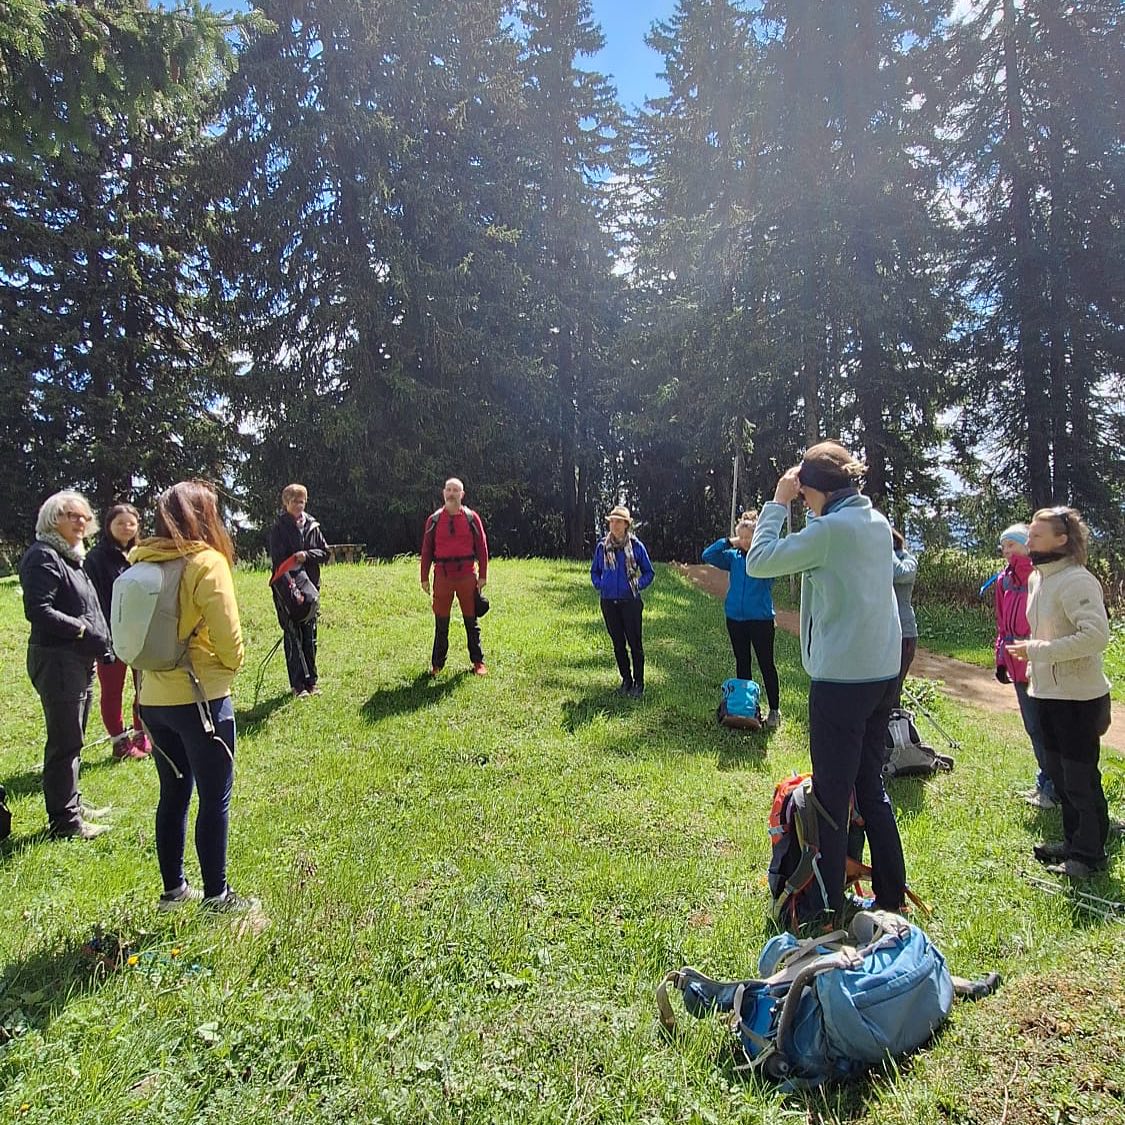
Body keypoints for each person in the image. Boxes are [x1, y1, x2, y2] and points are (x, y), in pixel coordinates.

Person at [747, 442, 906, 918]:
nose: (804, 503)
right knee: (871, 789)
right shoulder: (875, 522)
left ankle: (827, 908)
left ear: (816, 489)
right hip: (882, 672)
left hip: (842, 681)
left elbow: (759, 561)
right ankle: (891, 898)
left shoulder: (830, 531)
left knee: (831, 801)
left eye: (804, 495)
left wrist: (778, 502)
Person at [133, 481, 254, 912]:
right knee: (214, 796)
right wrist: (229, 669)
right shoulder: (206, 562)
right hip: (201, 698)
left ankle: (173, 891)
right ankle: (217, 896)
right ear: (205, 518)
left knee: (173, 793)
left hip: (153, 698)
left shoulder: (141, 561)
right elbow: (229, 639)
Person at [1006, 506, 1112, 881]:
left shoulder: (1076, 581)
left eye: (1036, 535)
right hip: (1048, 693)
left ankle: (1089, 855)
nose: (1029, 540)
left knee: (1080, 778)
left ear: (1061, 540)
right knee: (1059, 773)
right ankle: (1075, 842)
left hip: (1079, 699)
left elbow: (1096, 637)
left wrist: (1038, 650)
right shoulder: (1039, 578)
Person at [19, 490, 113, 839]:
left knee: (74, 738)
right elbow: (38, 610)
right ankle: (65, 822)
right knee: (65, 742)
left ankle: (72, 803)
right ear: (52, 518)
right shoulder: (43, 556)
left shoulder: (72, 556)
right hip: (58, 659)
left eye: (85, 517)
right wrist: (83, 630)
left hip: (78, 659)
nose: (81, 522)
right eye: (72, 515)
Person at [992, 523, 1057, 809]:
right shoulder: (1003, 581)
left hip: (1040, 661)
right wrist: (1001, 659)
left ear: (1026, 544)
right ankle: (1045, 780)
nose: (1006, 551)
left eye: (1011, 545)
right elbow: (1001, 624)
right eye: (1003, 546)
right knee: (1033, 726)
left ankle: (1054, 787)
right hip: (1016, 662)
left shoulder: (1040, 576)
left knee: (1048, 726)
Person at [701, 511, 781, 727]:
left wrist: (760, 544)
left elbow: (774, 567)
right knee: (742, 661)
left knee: (766, 664)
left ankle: (774, 711)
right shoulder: (733, 557)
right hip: (735, 619)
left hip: (761, 619)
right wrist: (729, 542)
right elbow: (707, 555)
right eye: (742, 537)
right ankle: (745, 708)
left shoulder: (764, 558)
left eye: (749, 537)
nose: (745, 541)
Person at [84, 502, 151, 759]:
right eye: (120, 523)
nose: (126, 527)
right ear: (108, 525)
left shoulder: (142, 554)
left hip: (140, 632)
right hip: (110, 634)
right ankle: (119, 741)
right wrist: (102, 633)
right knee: (112, 689)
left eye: (131, 523)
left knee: (143, 686)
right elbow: (92, 599)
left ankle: (141, 732)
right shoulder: (96, 558)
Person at [421, 477, 489, 676]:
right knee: (441, 623)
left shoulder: (471, 518)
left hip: (467, 576)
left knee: (471, 621)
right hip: (442, 577)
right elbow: (426, 550)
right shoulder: (434, 520)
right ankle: (437, 665)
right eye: (448, 490)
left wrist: (483, 575)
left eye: (455, 490)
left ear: (462, 494)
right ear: (444, 493)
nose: (451, 493)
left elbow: (482, 547)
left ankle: (478, 662)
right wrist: (424, 577)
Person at [268, 483, 330, 698]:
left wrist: (306, 555)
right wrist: (295, 561)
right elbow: (278, 560)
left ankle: (312, 682)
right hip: (288, 590)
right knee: (293, 636)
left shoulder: (312, 524)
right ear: (286, 503)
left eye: (302, 501)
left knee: (310, 637)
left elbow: (325, 553)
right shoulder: (279, 528)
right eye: (295, 501)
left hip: (311, 590)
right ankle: (297, 685)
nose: (299, 505)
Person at [591, 505, 655, 698]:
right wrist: (601, 584)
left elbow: (649, 572)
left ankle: (639, 683)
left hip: (630, 602)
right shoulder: (602, 546)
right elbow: (595, 571)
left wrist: (637, 585)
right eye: (612, 521)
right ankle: (626, 680)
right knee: (618, 644)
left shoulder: (636, 546)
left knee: (635, 644)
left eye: (618, 521)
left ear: (626, 524)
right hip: (608, 602)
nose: (614, 524)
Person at [890, 528, 918, 709]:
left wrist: (886, 551)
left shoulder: (908, 560)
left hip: (904, 633)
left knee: (893, 689)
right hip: (882, 631)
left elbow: (898, 573)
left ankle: (895, 722)